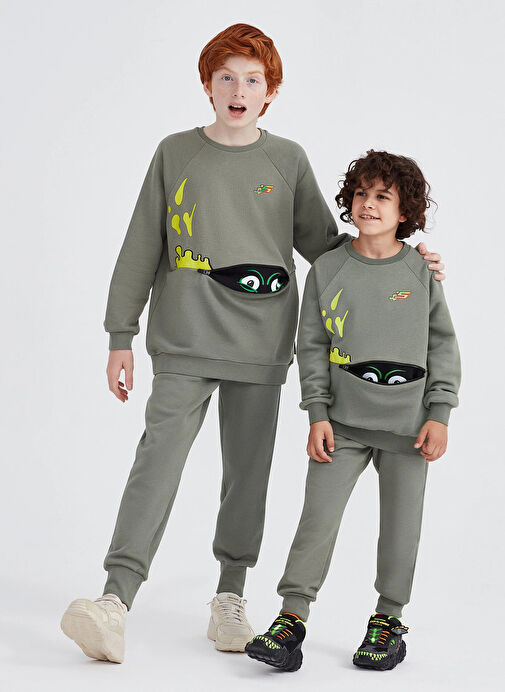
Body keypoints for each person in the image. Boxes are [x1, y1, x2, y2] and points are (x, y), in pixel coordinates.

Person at [60, 25, 446, 664]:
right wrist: (119, 334)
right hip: (183, 340)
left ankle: (231, 597)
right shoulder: (175, 153)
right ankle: (114, 600)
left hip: (262, 347)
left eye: (253, 80)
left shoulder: (287, 160)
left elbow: (330, 249)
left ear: (271, 92)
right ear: (207, 85)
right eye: (226, 78)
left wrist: (405, 260)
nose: (238, 90)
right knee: (157, 463)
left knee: (247, 476)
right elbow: (140, 244)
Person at [246, 150, 460, 672]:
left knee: (401, 527)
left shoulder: (421, 270)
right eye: (361, 193)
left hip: (409, 429)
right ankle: (291, 619)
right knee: (316, 522)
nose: (369, 204)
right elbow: (311, 346)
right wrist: (316, 412)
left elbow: (442, 345)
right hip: (340, 426)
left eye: (383, 196)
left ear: (405, 210)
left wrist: (440, 413)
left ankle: (388, 620)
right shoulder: (328, 269)